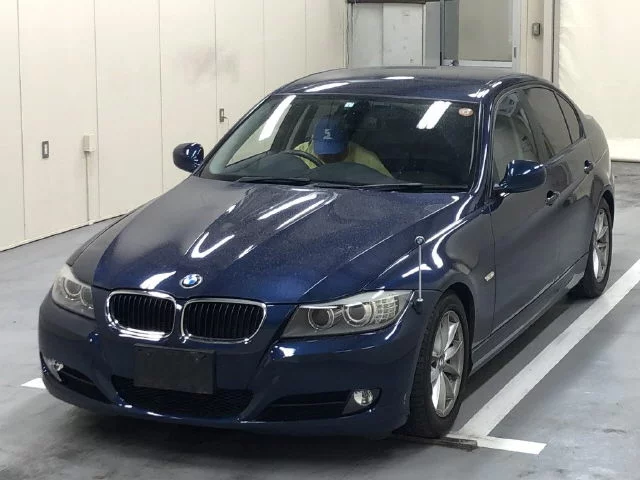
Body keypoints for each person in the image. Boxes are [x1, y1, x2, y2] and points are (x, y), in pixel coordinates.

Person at [294, 117, 392, 177]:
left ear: (347, 144)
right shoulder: (301, 153)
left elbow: (388, 187)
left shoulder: (367, 160)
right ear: (313, 141)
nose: (330, 157)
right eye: (324, 153)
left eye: (335, 153)